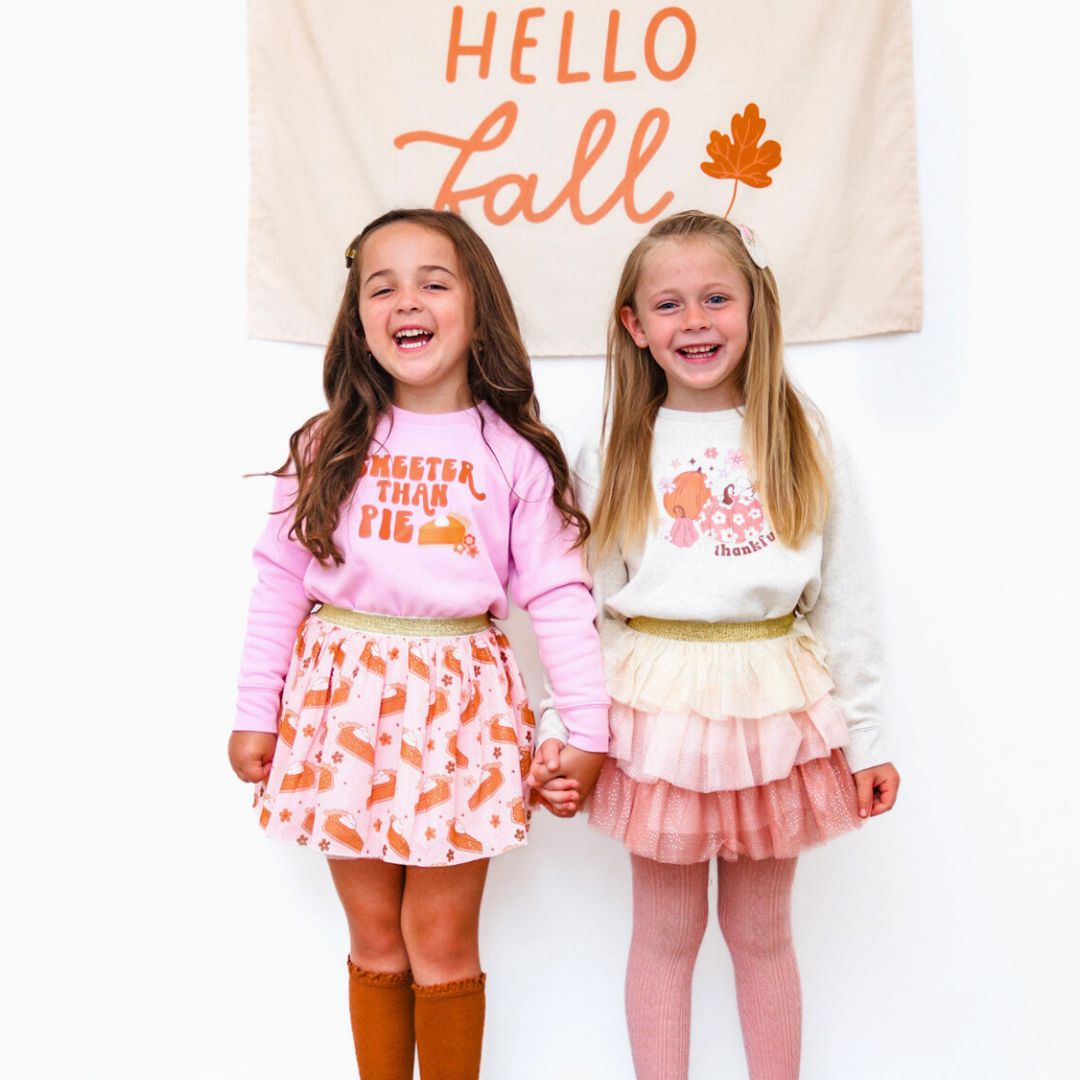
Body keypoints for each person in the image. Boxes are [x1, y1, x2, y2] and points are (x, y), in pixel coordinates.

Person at [229, 208, 609, 1080]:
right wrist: (255, 710)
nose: (408, 300)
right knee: (374, 936)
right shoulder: (326, 446)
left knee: (439, 938)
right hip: (339, 710)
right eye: (383, 286)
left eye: (434, 282)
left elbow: (559, 595)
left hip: (459, 719)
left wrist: (586, 731)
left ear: (478, 307)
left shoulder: (513, 456)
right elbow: (279, 582)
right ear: (358, 319)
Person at [530, 210, 900, 1080]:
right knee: (666, 933)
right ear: (635, 325)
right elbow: (576, 609)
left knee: (761, 933)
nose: (694, 321)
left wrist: (868, 737)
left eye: (716, 298)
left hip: (773, 707)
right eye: (669, 304)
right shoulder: (616, 446)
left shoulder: (804, 436)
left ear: (755, 307)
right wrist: (561, 725)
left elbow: (848, 599)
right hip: (657, 712)